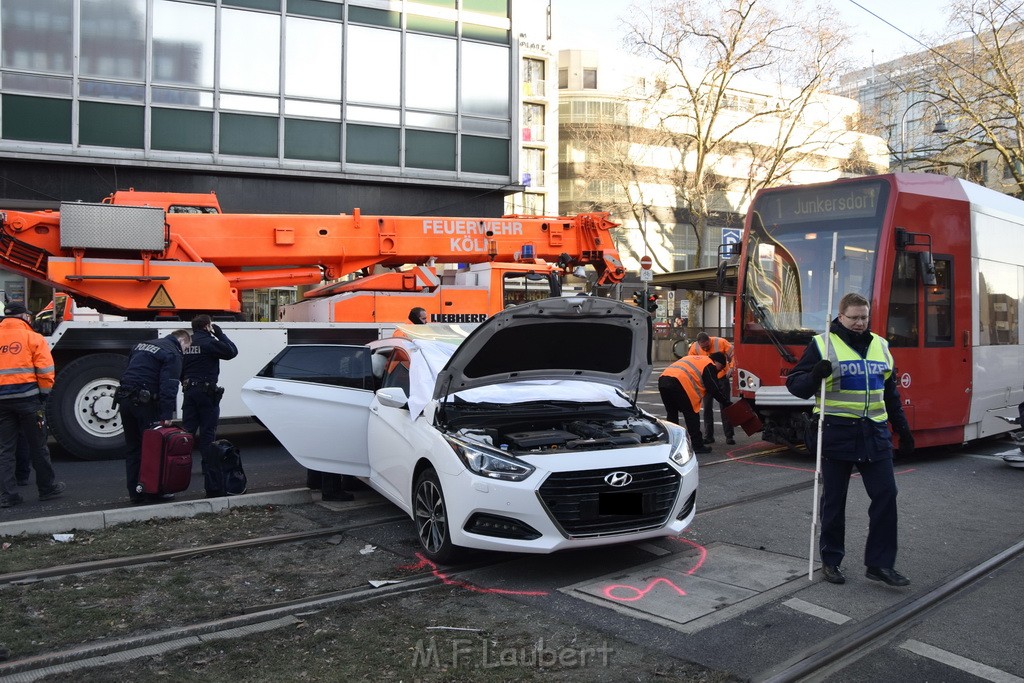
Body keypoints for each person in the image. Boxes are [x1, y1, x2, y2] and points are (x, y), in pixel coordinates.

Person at [785, 292, 915, 587]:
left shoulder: (881, 345)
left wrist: (903, 430)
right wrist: (813, 375)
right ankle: (831, 561)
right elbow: (796, 387)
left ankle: (880, 564)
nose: (859, 323)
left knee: (886, 496)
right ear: (840, 317)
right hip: (836, 432)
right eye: (854, 317)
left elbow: (890, 394)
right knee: (834, 501)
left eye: (864, 317)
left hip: (875, 434)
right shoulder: (823, 345)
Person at [0, 302, 66, 508]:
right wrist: (43, 396)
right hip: (29, 401)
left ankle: (7, 495)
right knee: (38, 445)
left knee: (5, 449)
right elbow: (46, 371)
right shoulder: (33, 338)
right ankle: (46, 488)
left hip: (1, 404)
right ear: (24, 317)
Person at [116, 329, 191, 504]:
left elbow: (130, 370)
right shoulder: (173, 353)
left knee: (134, 449)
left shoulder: (142, 345)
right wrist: (167, 415)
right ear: (182, 342)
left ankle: (136, 492)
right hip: (146, 404)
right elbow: (169, 385)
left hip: (126, 400)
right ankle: (153, 492)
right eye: (186, 348)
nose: (185, 352)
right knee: (153, 449)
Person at [182, 315, 238, 454]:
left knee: (187, 432)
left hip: (189, 391)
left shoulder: (186, 343)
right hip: (206, 392)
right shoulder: (209, 342)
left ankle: (181, 466)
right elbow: (232, 351)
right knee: (207, 432)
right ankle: (208, 469)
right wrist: (220, 334)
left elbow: (179, 368)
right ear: (207, 326)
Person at [658, 351, 732, 454]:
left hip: (663, 380)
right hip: (679, 383)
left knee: (672, 414)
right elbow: (713, 388)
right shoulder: (709, 364)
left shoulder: (696, 359)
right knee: (691, 415)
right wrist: (726, 402)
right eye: (721, 367)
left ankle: (672, 443)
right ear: (716, 361)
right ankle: (697, 445)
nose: (719, 371)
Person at [688, 332, 736, 445]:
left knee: (725, 406)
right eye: (703, 347)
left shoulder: (721, 342)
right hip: (706, 380)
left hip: (721, 377)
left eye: (707, 346)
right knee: (707, 408)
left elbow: (734, 354)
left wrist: (732, 368)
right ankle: (709, 436)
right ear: (698, 344)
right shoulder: (694, 348)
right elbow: (690, 362)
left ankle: (729, 436)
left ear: (709, 340)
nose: (705, 349)